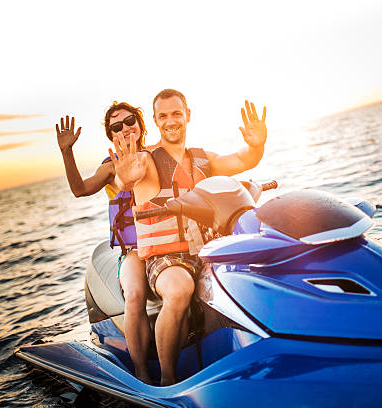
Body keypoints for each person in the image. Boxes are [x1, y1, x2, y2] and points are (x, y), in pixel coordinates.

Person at [110, 89, 267, 386]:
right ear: (155, 121)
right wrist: (124, 177)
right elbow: (128, 177)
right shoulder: (146, 160)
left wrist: (256, 146)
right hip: (165, 259)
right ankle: (169, 380)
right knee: (180, 287)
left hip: (209, 251)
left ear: (188, 115)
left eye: (176, 114)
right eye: (164, 116)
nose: (171, 121)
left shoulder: (201, 159)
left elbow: (242, 159)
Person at [56, 103, 153, 384]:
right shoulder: (110, 168)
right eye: (115, 126)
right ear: (111, 136)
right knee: (134, 294)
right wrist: (67, 151)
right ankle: (142, 375)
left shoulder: (158, 155)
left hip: (169, 242)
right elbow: (80, 189)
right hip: (135, 250)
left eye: (129, 120)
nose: (124, 128)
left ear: (141, 124)